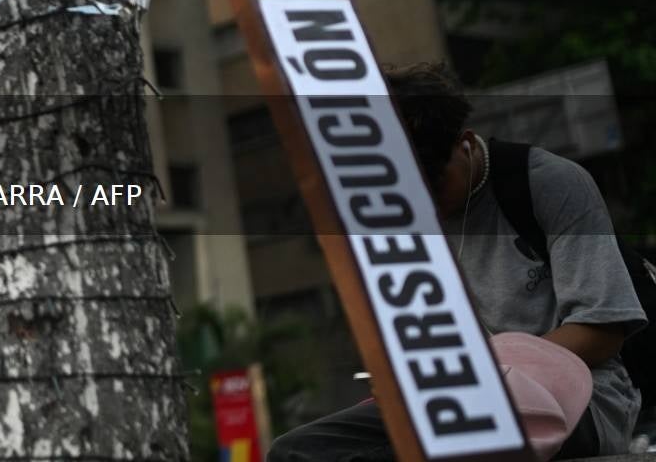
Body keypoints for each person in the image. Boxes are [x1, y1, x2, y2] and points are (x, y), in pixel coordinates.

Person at [270, 63, 645, 460]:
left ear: (464, 142)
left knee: (452, 444)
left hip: (578, 397)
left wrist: (482, 370)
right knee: (298, 452)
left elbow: (603, 332)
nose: (427, 203)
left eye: (437, 184)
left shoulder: (548, 183)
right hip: (455, 401)